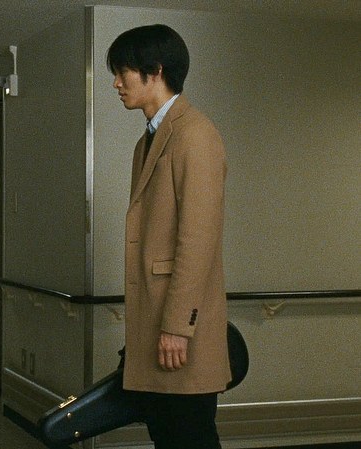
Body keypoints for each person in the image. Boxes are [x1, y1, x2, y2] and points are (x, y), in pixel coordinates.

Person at [107, 25, 229, 448]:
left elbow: (198, 240)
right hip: (154, 325)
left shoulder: (195, 134)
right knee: (168, 436)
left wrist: (178, 326)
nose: (117, 83)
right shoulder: (149, 140)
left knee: (190, 436)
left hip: (180, 329)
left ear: (155, 71)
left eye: (123, 71)